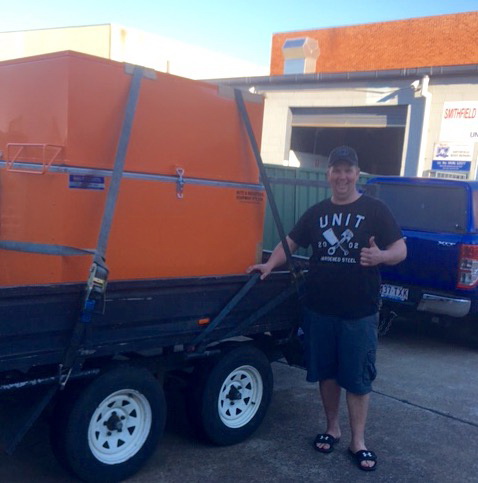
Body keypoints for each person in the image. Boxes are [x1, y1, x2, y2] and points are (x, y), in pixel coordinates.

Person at [247, 145, 406, 472]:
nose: (342, 176)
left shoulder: (375, 209)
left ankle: (357, 441)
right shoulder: (317, 213)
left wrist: (381, 257)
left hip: (360, 312)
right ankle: (332, 428)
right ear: (328, 174)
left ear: (357, 174)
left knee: (358, 379)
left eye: (348, 170)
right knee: (328, 374)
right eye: (337, 170)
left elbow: (401, 249)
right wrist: (270, 265)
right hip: (320, 310)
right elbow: (290, 242)